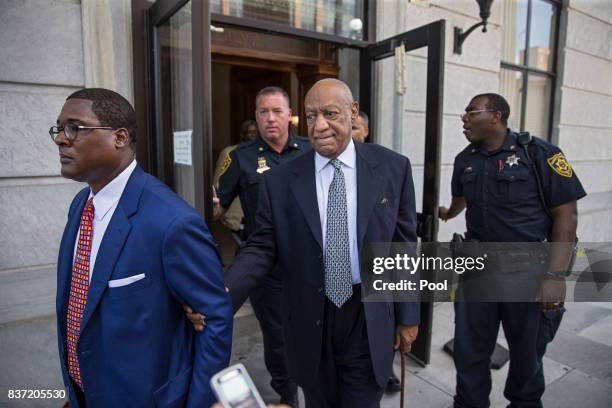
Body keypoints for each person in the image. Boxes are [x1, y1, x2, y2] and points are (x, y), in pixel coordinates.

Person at [222, 78, 420, 407]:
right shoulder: (281, 180)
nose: (320, 125)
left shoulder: (392, 168)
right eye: (311, 116)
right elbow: (261, 247)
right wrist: (224, 293)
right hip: (310, 317)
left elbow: (402, 245)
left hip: (366, 315)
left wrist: (408, 314)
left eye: (330, 113)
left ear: (353, 112)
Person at [52, 88, 233, 407]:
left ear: (119, 137)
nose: (61, 139)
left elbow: (214, 320)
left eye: (74, 128)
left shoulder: (171, 222)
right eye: (59, 128)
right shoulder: (80, 205)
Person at [439, 93, 586, 408]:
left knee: (527, 353)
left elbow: (566, 214)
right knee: (469, 350)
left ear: (496, 116)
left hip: (528, 273)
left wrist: (556, 276)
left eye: (471, 112)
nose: (463, 118)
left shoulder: (539, 154)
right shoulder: (466, 159)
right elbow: (460, 199)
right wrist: (448, 213)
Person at [214, 87, 310, 407]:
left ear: (289, 115)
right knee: (279, 339)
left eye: (277, 111)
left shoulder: (311, 151)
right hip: (266, 267)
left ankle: (315, 387)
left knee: (312, 331)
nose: (270, 118)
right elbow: (219, 207)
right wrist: (212, 206)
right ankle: (287, 396)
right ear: (256, 116)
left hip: (309, 264)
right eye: (263, 112)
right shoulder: (239, 157)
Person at [350, 109, 402, 394]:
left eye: (356, 128)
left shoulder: (389, 168)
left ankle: (385, 370)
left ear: (366, 131)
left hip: (379, 278)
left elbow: (401, 240)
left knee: (382, 332)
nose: (351, 134)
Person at [212, 120, 258, 234]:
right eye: (250, 132)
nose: (253, 135)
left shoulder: (262, 153)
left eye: (256, 132)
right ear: (243, 134)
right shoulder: (231, 152)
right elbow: (219, 181)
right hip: (235, 212)